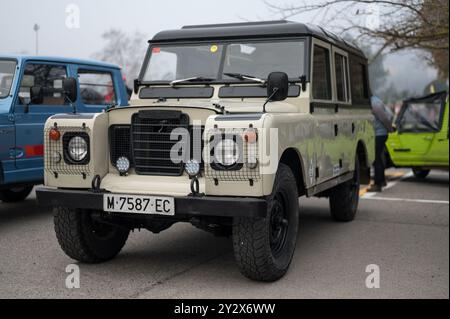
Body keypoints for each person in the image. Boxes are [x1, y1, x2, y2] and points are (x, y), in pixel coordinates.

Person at [368, 96, 395, 192]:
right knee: (379, 157)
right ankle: (382, 180)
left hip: (379, 134)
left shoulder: (374, 103)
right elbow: (390, 114)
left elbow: (384, 118)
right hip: (380, 134)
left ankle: (377, 184)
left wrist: (390, 129)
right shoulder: (377, 100)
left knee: (376, 159)